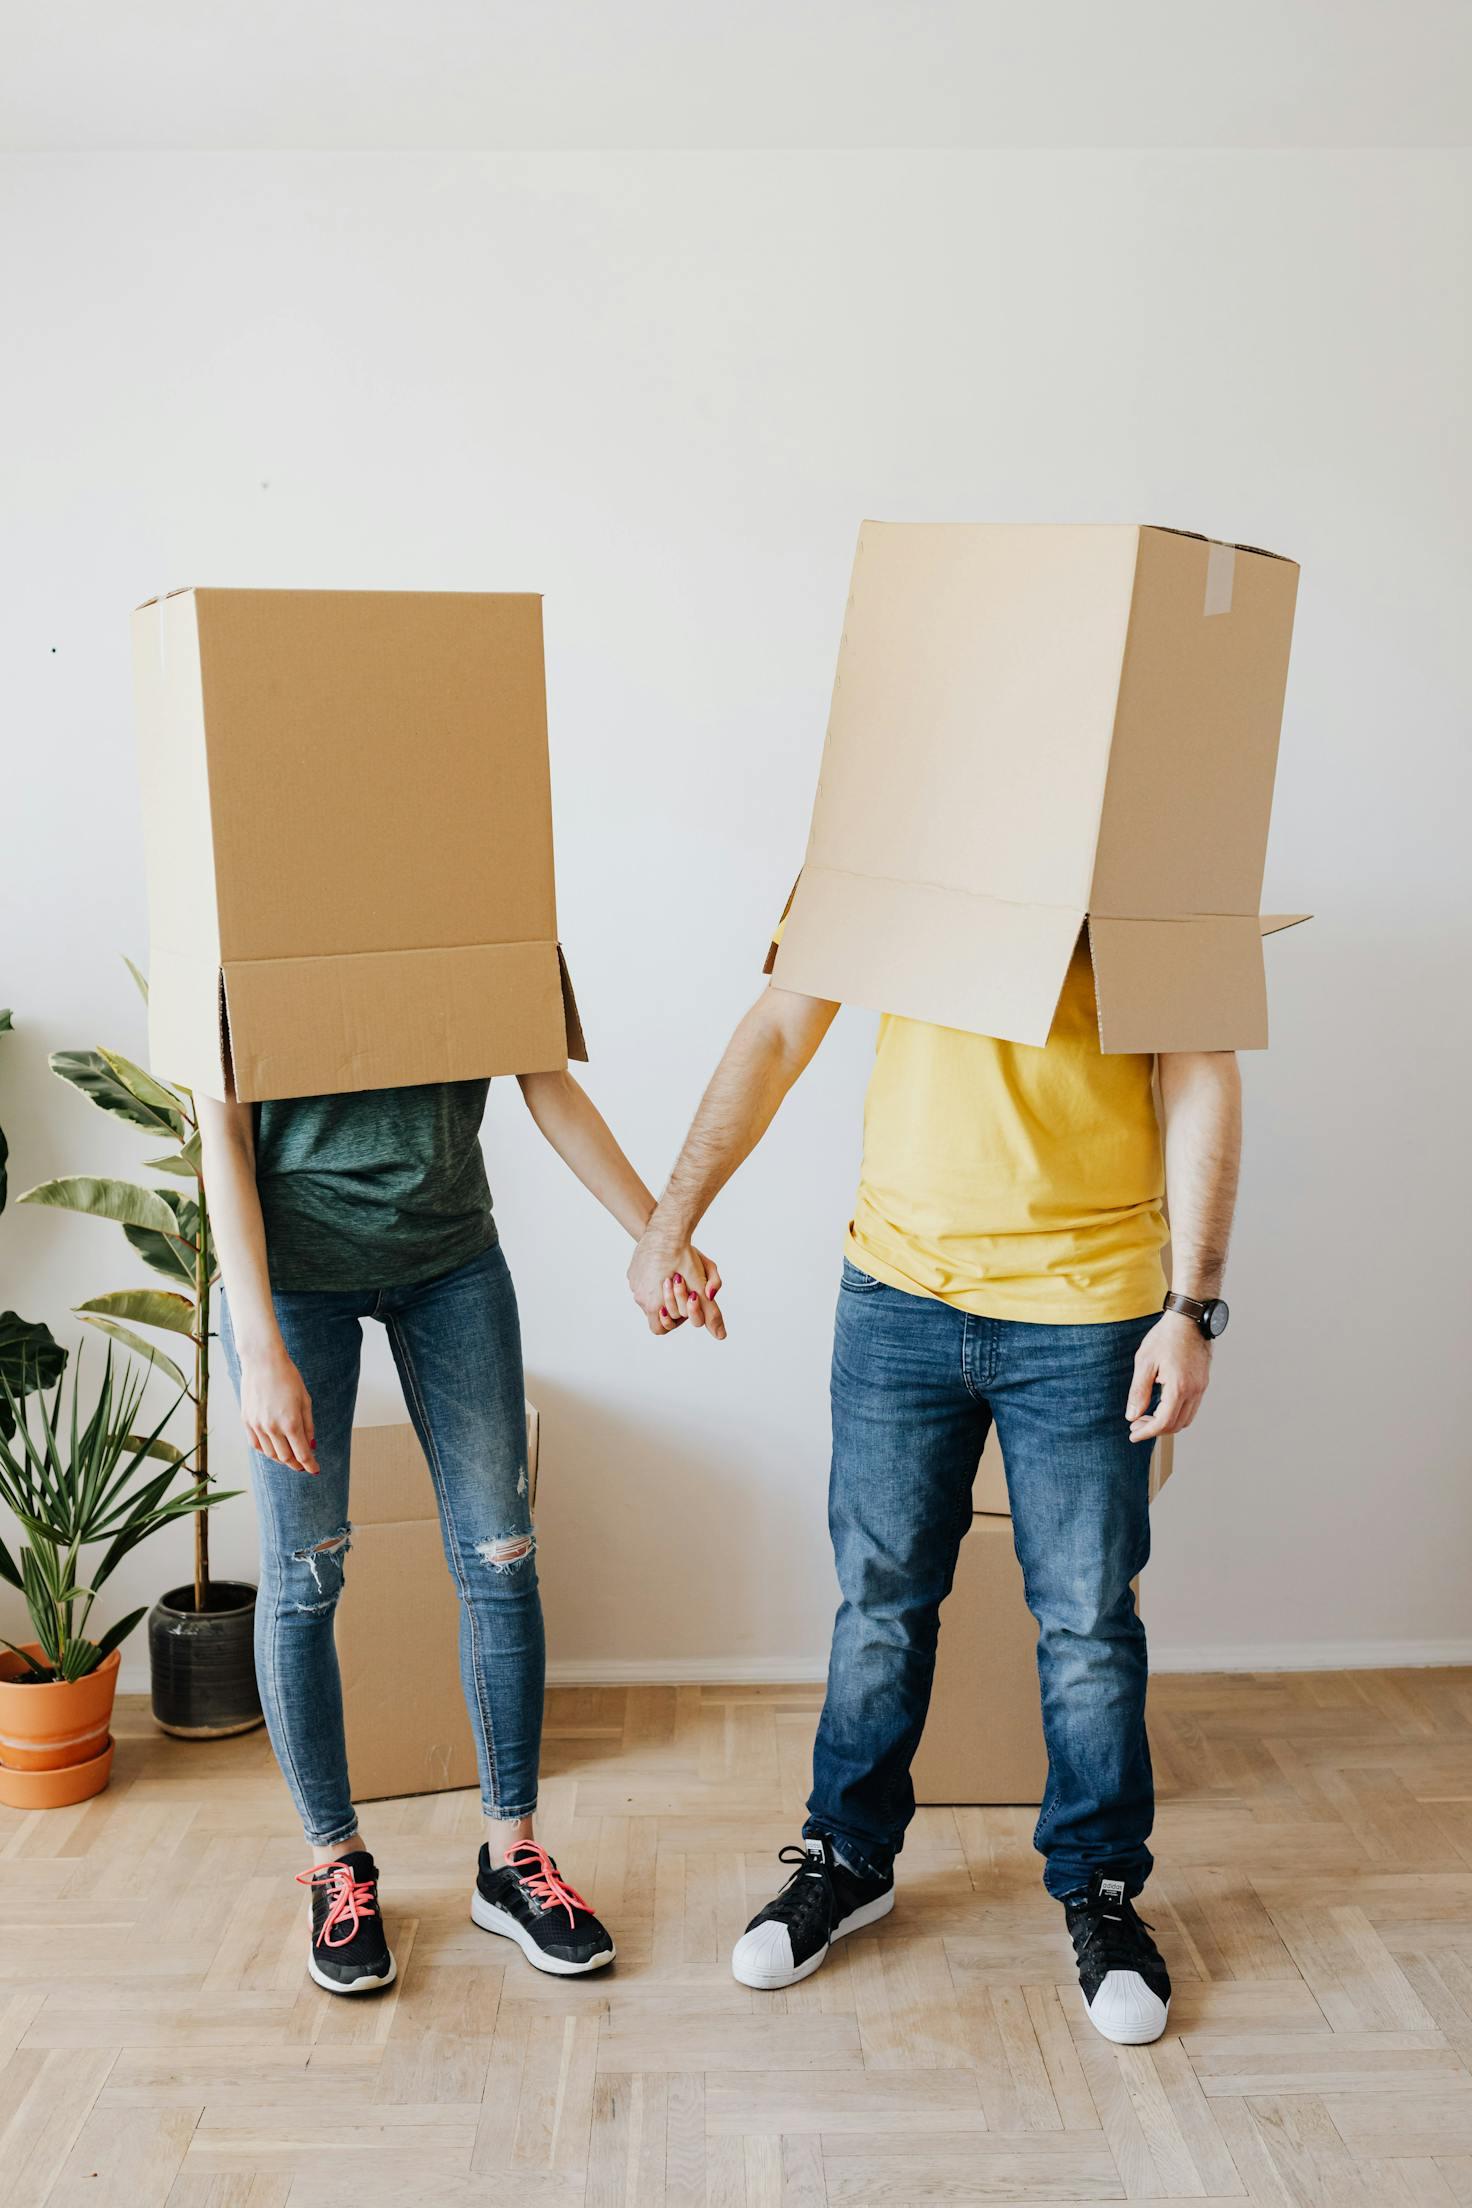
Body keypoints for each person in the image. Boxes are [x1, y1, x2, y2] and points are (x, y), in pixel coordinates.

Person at [627, 926, 1239, 2045]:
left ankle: (1100, 1892)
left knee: (1087, 1623)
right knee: (879, 1602)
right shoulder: (890, 814)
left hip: (1089, 1305)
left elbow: (1199, 1065)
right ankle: (847, 1858)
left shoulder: (1144, 846)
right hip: (896, 1293)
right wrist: (669, 1221)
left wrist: (1189, 1308)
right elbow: (776, 1028)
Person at [203, 1067, 717, 1995]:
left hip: (450, 1261)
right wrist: (256, 1341)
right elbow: (224, 1130)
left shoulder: (480, 917)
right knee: (304, 1578)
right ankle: (336, 1863)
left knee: (502, 1557)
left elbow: (545, 1081)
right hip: (291, 1278)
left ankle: (509, 1857)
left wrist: (658, 1235)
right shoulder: (246, 926)